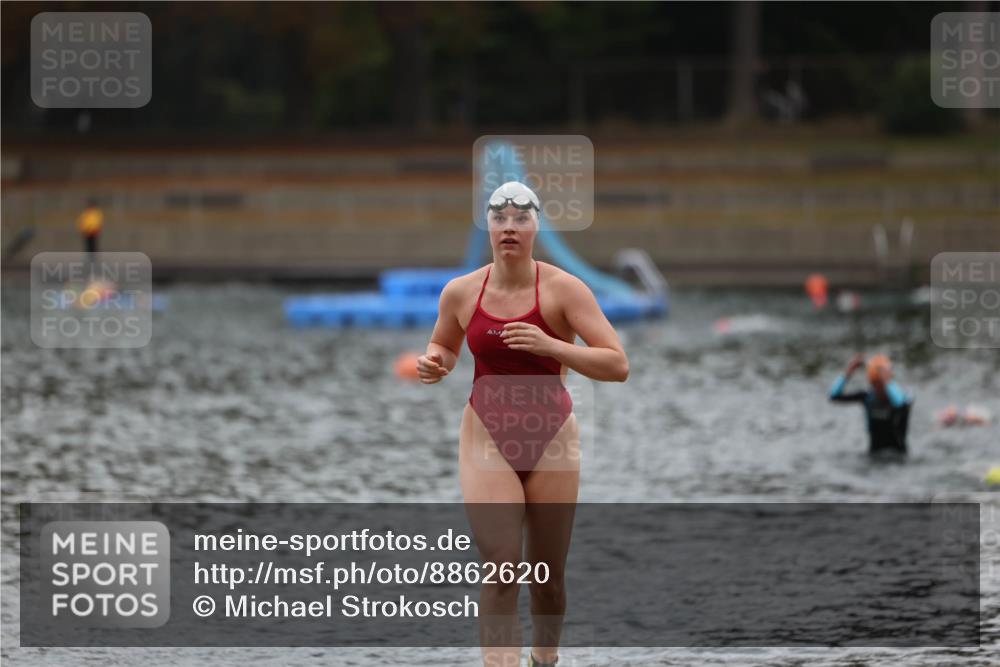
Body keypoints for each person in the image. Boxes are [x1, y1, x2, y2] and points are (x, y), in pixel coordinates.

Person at [417, 181, 629, 667]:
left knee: (548, 579)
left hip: (551, 439)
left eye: (520, 218)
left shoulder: (564, 289)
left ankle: (544, 660)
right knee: (501, 568)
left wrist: (550, 345)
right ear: (488, 227)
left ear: (536, 227)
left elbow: (617, 364)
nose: (509, 227)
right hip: (485, 436)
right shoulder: (461, 291)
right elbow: (444, 345)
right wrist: (435, 363)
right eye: (499, 218)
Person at [829, 354, 913, 457]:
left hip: (898, 457)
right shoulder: (867, 398)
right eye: (875, 384)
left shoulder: (904, 399)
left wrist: (887, 381)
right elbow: (834, 396)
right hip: (874, 456)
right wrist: (848, 373)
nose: (879, 389)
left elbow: (900, 404)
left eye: (881, 384)